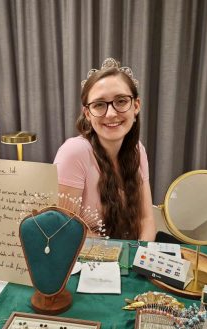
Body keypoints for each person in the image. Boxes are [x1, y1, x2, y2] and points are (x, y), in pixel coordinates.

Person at [54, 58, 155, 241]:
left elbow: (146, 219)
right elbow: (63, 232)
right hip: (87, 263)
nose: (111, 114)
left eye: (121, 101)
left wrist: (138, 259)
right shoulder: (74, 152)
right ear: (87, 113)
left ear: (136, 106)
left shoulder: (138, 150)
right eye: (99, 104)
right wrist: (122, 258)